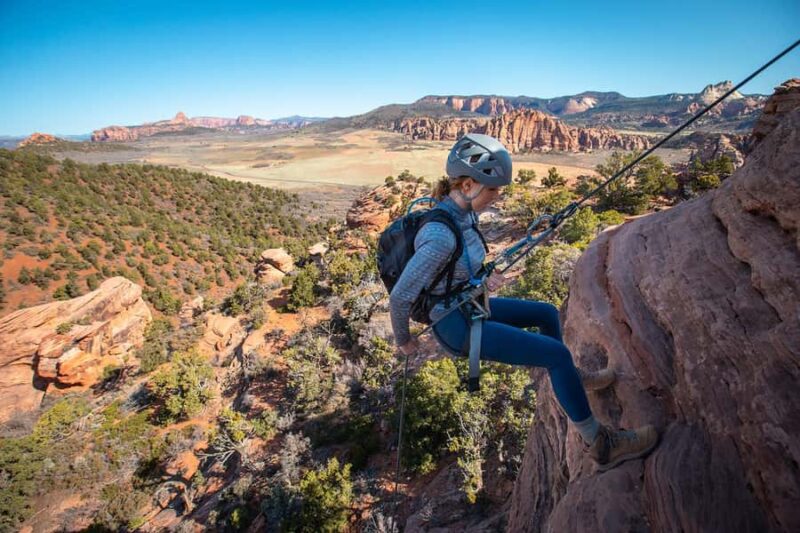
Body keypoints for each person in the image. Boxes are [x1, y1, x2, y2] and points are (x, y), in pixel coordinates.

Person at [388, 133, 659, 471]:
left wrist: (481, 279)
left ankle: (570, 379)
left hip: (469, 304)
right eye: (494, 190)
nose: (498, 197)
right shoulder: (440, 234)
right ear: (469, 184)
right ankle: (600, 444)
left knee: (546, 314)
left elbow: (453, 273)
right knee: (555, 355)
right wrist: (404, 340)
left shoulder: (462, 214)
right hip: (456, 326)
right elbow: (400, 297)